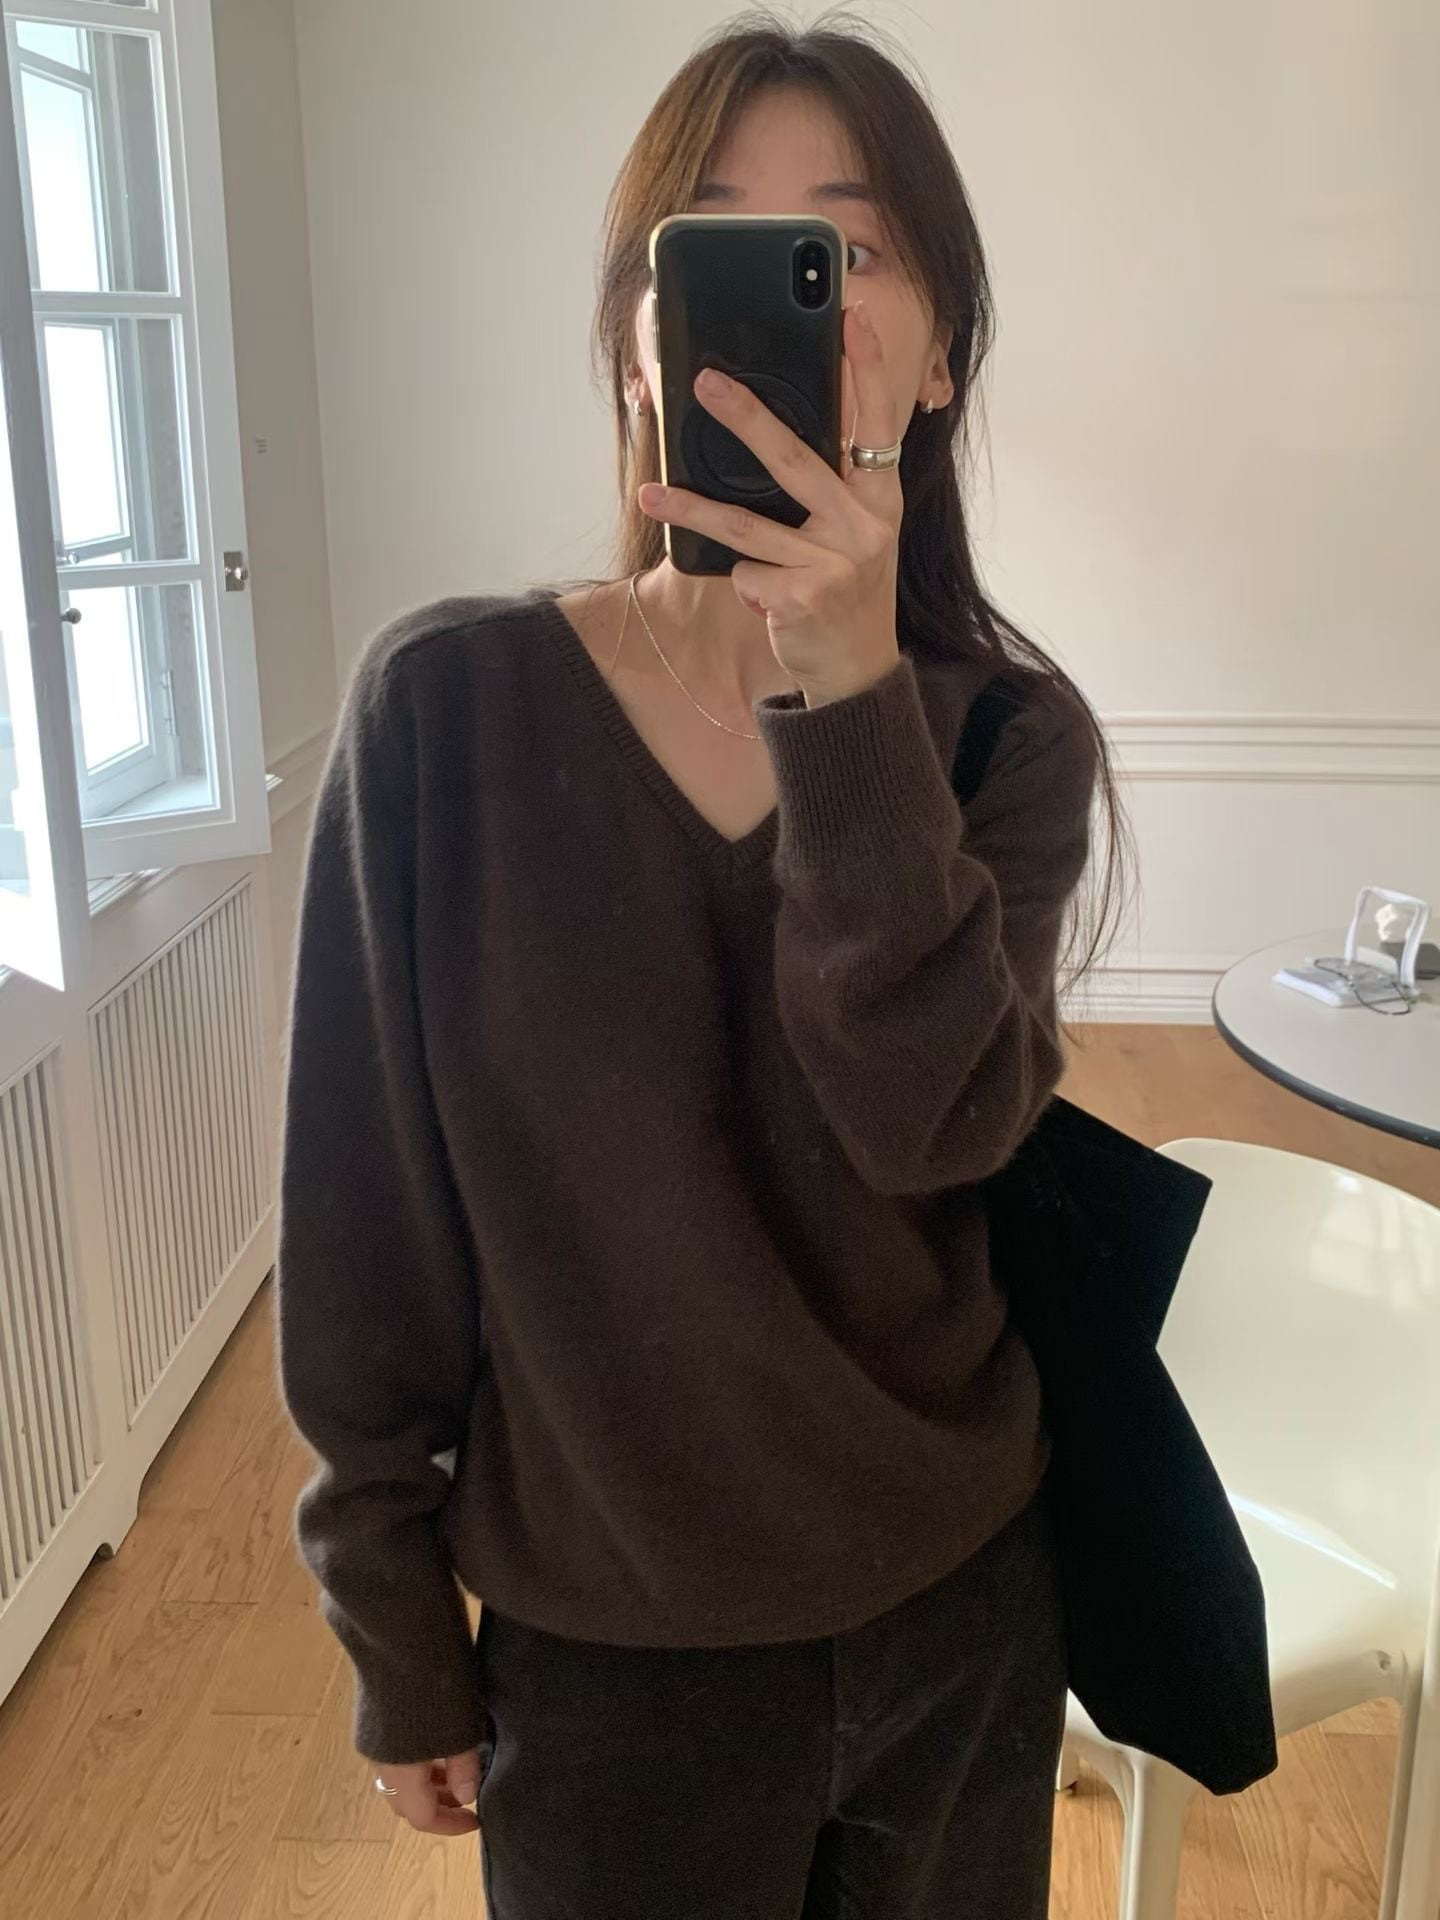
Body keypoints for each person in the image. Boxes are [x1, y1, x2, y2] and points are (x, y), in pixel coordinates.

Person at [276, 11, 1129, 1916]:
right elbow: (363, 1219)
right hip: (608, 1657)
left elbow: (931, 1131)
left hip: (958, 1616)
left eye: (852, 245)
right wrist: (394, 1615)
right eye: (716, 237)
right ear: (636, 339)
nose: (799, 287)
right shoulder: (446, 714)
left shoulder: (1009, 741)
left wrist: (847, 690)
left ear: (939, 348)